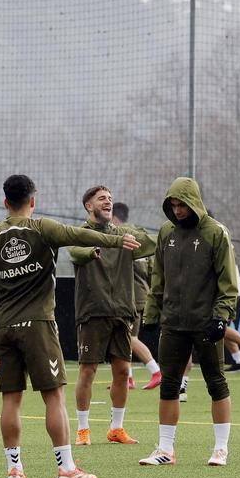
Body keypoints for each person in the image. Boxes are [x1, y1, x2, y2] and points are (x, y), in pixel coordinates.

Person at [0, 175, 139, 478]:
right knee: (54, 398)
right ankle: (66, 468)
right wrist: (117, 240)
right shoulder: (43, 228)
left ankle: (14, 468)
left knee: (11, 400)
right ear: (33, 201)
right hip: (38, 326)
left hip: (5, 327)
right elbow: (81, 235)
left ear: (5, 203)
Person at [139, 178, 238, 467]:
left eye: (182, 204)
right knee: (169, 385)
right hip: (172, 322)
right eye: (173, 204)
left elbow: (227, 282)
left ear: (194, 202)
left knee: (215, 382)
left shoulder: (216, 232)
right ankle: (165, 450)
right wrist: (152, 314)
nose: (178, 210)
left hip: (206, 323)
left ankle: (221, 449)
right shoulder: (166, 232)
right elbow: (158, 277)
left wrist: (221, 316)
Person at [69, 187, 156, 447]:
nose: (108, 202)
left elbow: (154, 240)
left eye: (110, 198)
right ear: (88, 206)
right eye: (101, 199)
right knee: (88, 370)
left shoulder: (125, 235)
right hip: (93, 311)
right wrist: (93, 251)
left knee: (122, 371)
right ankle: (83, 429)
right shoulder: (81, 235)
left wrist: (178, 230)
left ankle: (116, 428)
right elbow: (75, 251)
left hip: (122, 311)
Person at [112, 202, 162, 390]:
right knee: (125, 338)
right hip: (143, 296)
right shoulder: (140, 240)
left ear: (115, 219)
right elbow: (151, 272)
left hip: (131, 298)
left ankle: (156, 371)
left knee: (130, 338)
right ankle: (128, 379)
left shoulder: (122, 240)